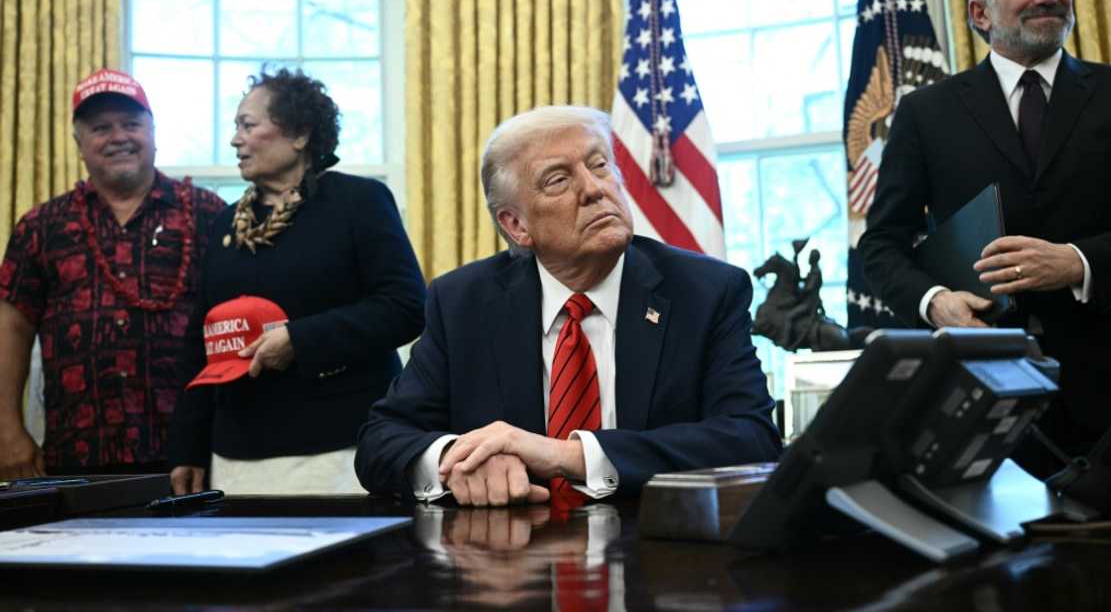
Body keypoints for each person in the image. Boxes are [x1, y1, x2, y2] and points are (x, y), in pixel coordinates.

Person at [355, 105, 781, 506]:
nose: (595, 190)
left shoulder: (705, 291)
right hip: (508, 562)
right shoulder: (463, 302)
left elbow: (751, 438)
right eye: (558, 180)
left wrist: (568, 455)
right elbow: (381, 440)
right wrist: (459, 461)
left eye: (599, 165)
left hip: (657, 550)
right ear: (516, 225)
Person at [859, 0, 1111, 474]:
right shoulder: (925, 114)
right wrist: (935, 302)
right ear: (980, 13)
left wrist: (1079, 262)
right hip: (984, 398)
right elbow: (882, 245)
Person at [168, 67, 426, 495]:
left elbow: (405, 307)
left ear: (300, 134)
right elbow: (202, 342)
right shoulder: (222, 225)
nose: (235, 140)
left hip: (340, 450)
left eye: (248, 125)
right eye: (236, 127)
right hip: (234, 459)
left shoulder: (358, 202)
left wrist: (299, 341)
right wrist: (188, 446)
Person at [0, 69, 226, 477]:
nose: (118, 137)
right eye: (101, 128)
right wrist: (7, 431)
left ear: (153, 133)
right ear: (79, 144)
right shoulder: (41, 226)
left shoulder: (209, 214)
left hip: (192, 454)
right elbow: (9, 329)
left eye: (131, 124)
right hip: (79, 455)